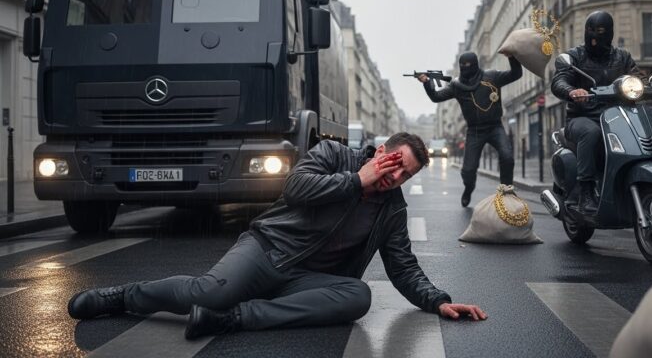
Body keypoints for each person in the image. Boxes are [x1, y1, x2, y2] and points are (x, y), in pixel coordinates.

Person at [67, 133, 487, 339]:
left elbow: (402, 266)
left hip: (306, 280)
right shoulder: (334, 155)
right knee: (207, 292)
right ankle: (123, 296)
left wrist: (439, 301)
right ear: (381, 152)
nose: (395, 177)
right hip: (266, 250)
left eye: (406, 174)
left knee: (358, 296)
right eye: (395, 164)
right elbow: (295, 189)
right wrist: (356, 181)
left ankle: (234, 320)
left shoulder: (393, 209)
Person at [550, 11, 652, 219]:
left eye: (600, 33)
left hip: (616, 117)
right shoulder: (575, 56)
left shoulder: (621, 57)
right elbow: (559, 80)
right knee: (591, 132)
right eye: (592, 33)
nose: (595, 38)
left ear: (610, 33)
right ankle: (586, 192)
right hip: (582, 118)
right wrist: (571, 91)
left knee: (644, 125)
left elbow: (638, 77)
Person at [418, 52, 522, 207]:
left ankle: (506, 193)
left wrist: (512, 57)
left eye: (469, 65)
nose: (465, 68)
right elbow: (436, 97)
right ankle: (468, 188)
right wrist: (427, 82)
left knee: (507, 157)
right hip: (474, 131)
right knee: (468, 170)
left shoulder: (492, 77)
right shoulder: (456, 85)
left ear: (476, 64)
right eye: (462, 65)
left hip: (495, 127)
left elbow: (516, 73)